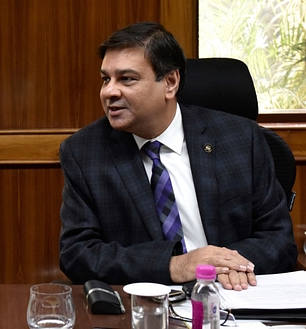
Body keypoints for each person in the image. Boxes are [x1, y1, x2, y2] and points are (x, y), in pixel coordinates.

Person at [59, 22, 297, 290]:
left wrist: (223, 266)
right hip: (149, 300)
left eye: (127, 79)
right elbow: (78, 254)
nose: (109, 92)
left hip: (235, 293)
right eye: (106, 79)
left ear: (170, 83)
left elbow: (279, 239)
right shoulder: (84, 152)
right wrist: (175, 265)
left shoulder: (242, 138)